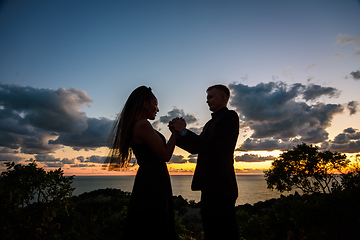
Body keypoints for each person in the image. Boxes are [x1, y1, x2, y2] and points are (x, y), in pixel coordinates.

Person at [104, 86, 179, 240]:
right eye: (155, 104)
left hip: (150, 177)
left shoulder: (139, 124)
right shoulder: (142, 125)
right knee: (154, 224)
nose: (157, 109)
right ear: (145, 104)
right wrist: (176, 133)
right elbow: (165, 155)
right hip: (153, 180)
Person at [169, 84, 239, 240]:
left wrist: (183, 131)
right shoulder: (209, 123)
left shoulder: (230, 117)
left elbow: (213, 147)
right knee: (211, 232)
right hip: (209, 187)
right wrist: (178, 134)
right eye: (207, 98)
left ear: (223, 97)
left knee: (225, 233)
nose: (207, 101)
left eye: (210, 97)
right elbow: (196, 148)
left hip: (222, 186)